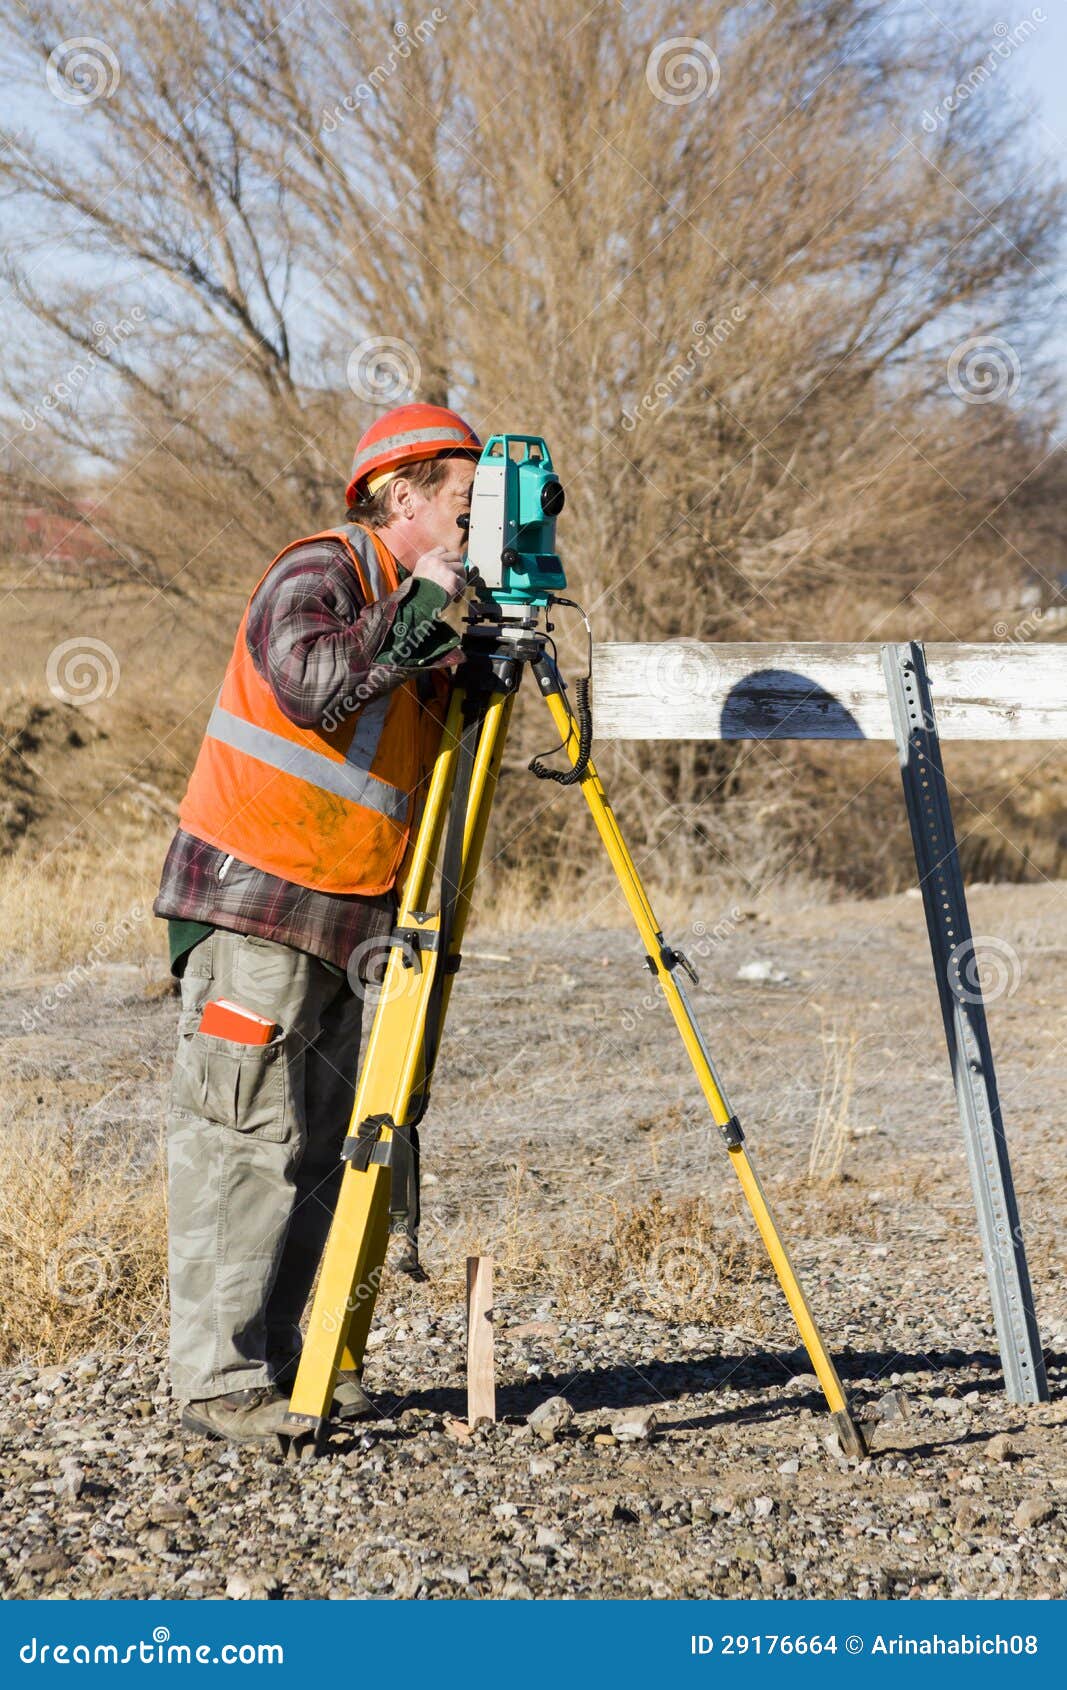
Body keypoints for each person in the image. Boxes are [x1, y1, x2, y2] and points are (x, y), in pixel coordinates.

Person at [153, 402, 481, 1444]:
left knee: (325, 1152)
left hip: (351, 918)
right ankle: (219, 1382)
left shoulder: (424, 608)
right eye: (466, 500)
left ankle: (290, 1361)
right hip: (258, 903)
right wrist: (423, 611)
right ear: (402, 496)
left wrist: (461, 644)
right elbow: (313, 685)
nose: (480, 521)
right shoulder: (320, 569)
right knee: (244, 1142)